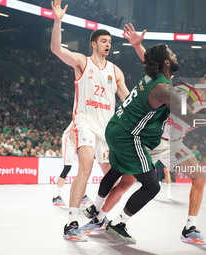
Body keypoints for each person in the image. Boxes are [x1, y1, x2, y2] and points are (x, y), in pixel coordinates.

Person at [123, 24, 206, 244]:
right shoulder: (180, 86)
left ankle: (189, 228)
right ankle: (104, 216)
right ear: (202, 81)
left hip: (173, 143)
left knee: (200, 177)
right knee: (125, 182)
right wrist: (138, 45)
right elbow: (153, 66)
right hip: (151, 139)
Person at [50, 0, 134, 242]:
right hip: (84, 121)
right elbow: (57, 50)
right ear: (94, 44)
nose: (108, 44)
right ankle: (71, 223)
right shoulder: (81, 62)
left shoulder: (116, 71)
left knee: (117, 178)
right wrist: (58, 21)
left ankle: (99, 215)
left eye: (110, 42)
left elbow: (127, 100)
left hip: (107, 129)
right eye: (104, 41)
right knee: (85, 165)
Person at [52, 121, 93, 207]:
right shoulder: (80, 114)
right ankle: (57, 196)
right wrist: (76, 145)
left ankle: (82, 195)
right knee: (67, 168)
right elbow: (72, 130)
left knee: (83, 167)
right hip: (69, 140)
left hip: (79, 141)